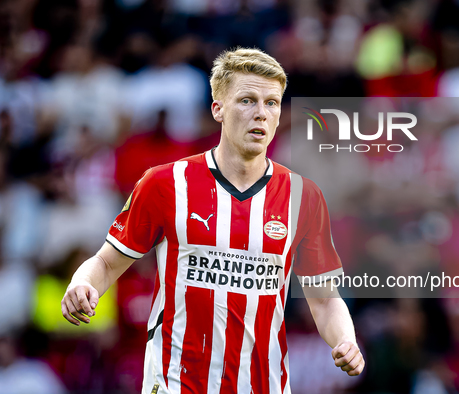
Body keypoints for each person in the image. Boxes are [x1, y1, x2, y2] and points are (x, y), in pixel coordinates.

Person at [61, 47, 364, 394]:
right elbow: (106, 262)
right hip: (176, 383)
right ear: (218, 109)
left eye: (272, 103)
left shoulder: (303, 196)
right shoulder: (165, 183)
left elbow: (324, 298)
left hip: (263, 386)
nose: (261, 114)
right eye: (247, 100)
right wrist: (83, 283)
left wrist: (346, 341)